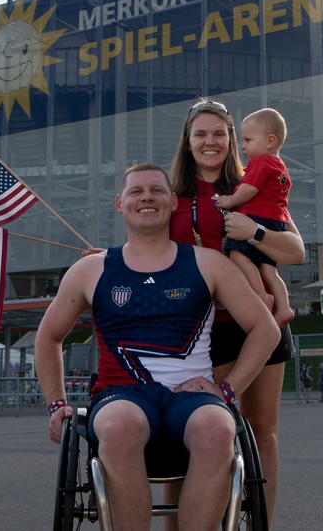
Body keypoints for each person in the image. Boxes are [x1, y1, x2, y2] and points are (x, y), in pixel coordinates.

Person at [36, 164, 280, 530]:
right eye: (136, 191)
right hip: (121, 394)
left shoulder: (207, 263)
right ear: (120, 203)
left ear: (172, 204)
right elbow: (48, 336)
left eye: (156, 190)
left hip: (190, 395)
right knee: (117, 427)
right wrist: (56, 403)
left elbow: (266, 328)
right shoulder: (92, 270)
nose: (146, 197)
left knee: (217, 428)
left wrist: (228, 389)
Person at [169, 98, 305, 522]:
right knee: (193, 436)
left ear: (232, 139)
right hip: (201, 329)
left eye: (220, 133)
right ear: (188, 142)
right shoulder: (171, 194)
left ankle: (261, 521)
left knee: (262, 431)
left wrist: (255, 230)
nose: (211, 142)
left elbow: (296, 250)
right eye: (201, 134)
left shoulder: (256, 180)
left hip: (260, 323)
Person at [216, 107, 295, 328]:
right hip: (277, 222)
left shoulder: (260, 162)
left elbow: (249, 189)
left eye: (248, 140)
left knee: (238, 256)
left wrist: (230, 201)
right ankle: (284, 307)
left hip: (258, 219)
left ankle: (262, 296)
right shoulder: (280, 166)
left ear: (270, 141)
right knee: (269, 268)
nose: (243, 146)